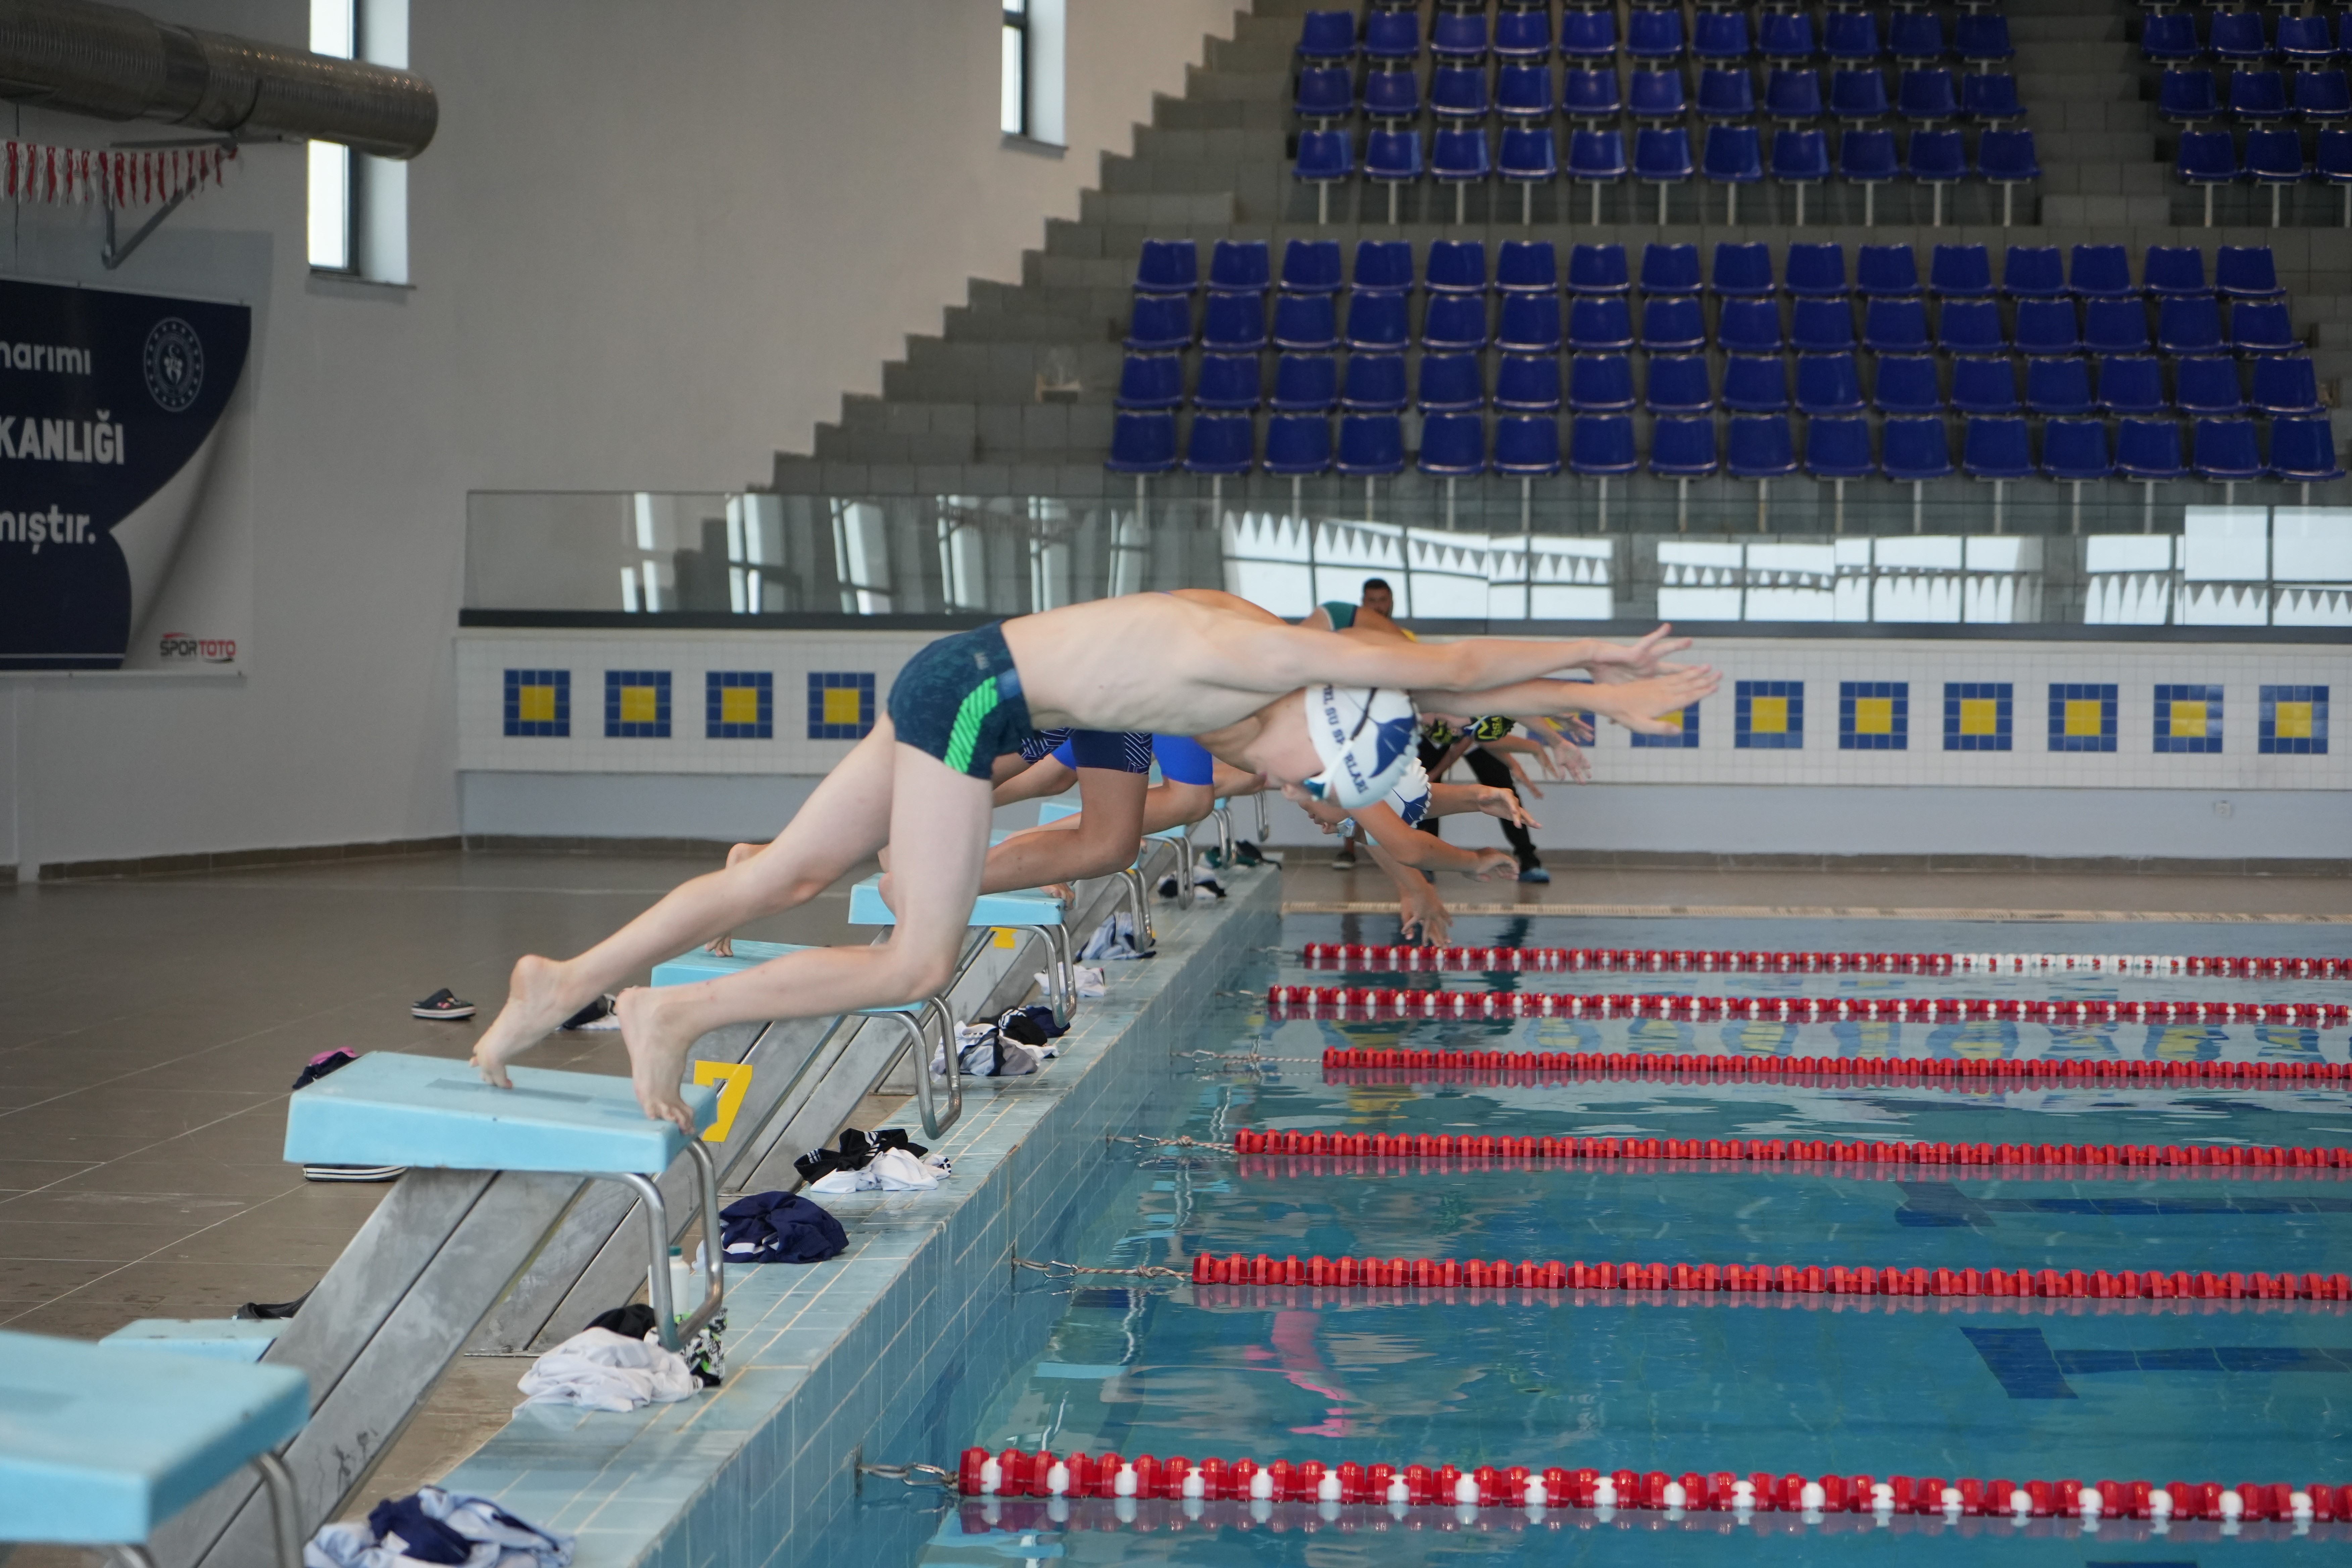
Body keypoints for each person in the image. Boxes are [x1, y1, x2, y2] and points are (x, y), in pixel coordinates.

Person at [470, 591, 1716, 1129]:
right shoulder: (1280, 667)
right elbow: (1441, 667)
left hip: (966, 677)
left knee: (780, 876)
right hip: (978, 698)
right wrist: (1603, 677)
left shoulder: (1258, 656)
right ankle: (672, 1009)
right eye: (1311, 774)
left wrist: (1581, 691)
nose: (1295, 788)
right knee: (917, 959)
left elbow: (1417, 686)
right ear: (1320, 724)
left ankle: (557, 981)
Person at [1301, 577, 1398, 634]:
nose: (1378, 606)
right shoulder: (1349, 637)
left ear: (1391, 602)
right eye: (1372, 601)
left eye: (1383, 600)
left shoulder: (1406, 638)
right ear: (1363, 603)